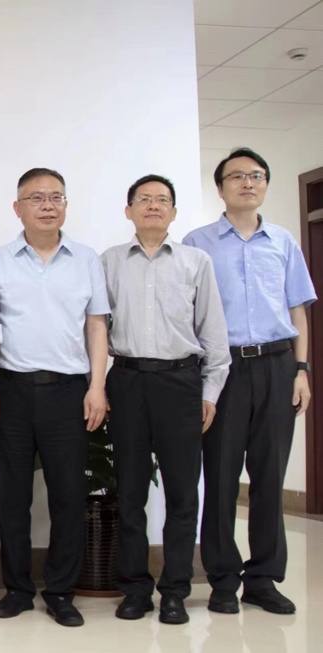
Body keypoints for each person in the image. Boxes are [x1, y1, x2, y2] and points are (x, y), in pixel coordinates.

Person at [182, 148, 315, 616]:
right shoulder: (197, 243)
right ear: (220, 188)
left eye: (256, 175)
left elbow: (297, 310)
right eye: (237, 176)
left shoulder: (283, 242)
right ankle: (222, 580)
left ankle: (263, 580)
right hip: (223, 369)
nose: (247, 182)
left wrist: (302, 370)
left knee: (269, 476)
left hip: (278, 366)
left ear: (265, 185)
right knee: (220, 477)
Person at [102, 174, 230, 625]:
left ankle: (175, 589)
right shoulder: (109, 261)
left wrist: (209, 392)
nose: (153, 206)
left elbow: (214, 334)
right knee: (130, 492)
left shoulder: (196, 262)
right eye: (144, 199)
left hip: (181, 384)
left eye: (162, 200)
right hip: (127, 382)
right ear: (129, 210)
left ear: (174, 211)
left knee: (182, 494)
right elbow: (95, 330)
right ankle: (135, 589)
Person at [0, 168, 109, 628]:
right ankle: (17, 589)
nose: (47, 205)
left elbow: (96, 325)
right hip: (11, 389)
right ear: (17, 208)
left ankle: (60, 591)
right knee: (12, 497)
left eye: (56, 197)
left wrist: (97, 386)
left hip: (69, 391)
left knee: (68, 496)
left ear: (65, 205)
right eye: (36, 198)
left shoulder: (86, 259)